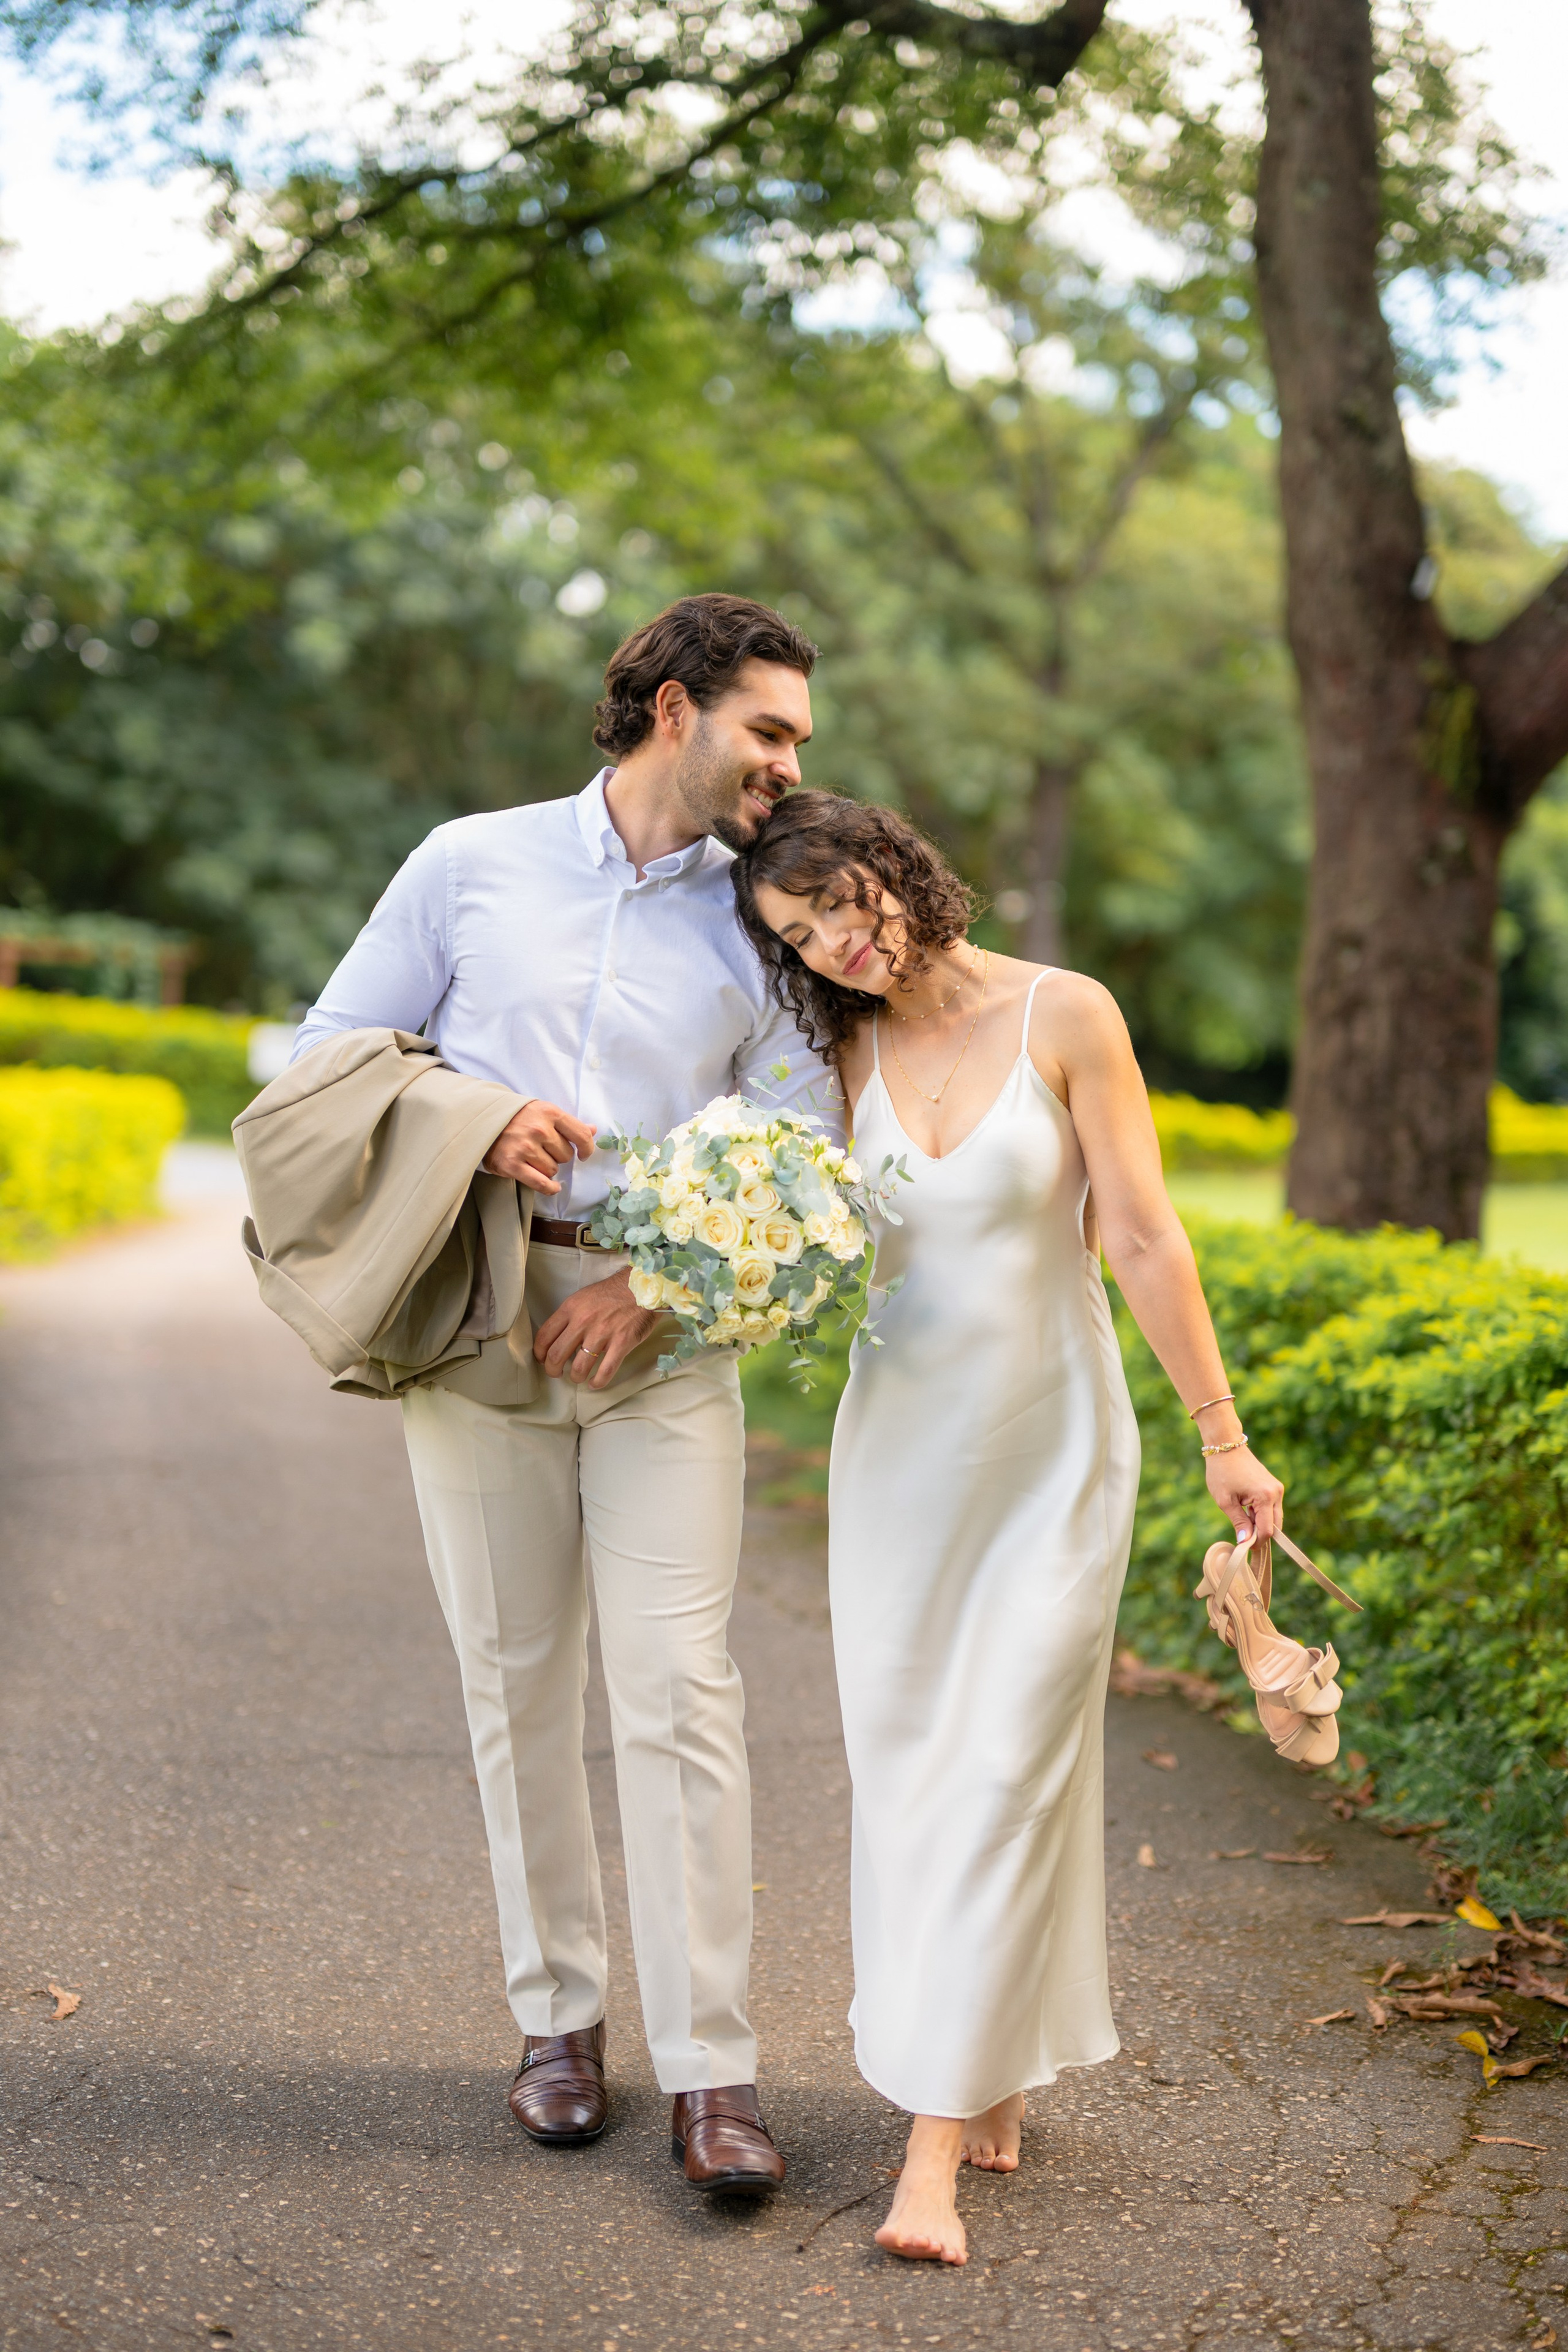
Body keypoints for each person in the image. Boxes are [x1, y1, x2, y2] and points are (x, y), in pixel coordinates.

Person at [291, 595, 839, 2195]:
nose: (792, 760)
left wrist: (664, 1288)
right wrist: (474, 1111)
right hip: (477, 1311)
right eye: (773, 728)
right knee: (515, 1679)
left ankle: (715, 2071)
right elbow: (328, 1052)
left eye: (798, 736)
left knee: (683, 1693)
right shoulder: (470, 863)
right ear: (673, 709)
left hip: (670, 1333)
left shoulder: (772, 906)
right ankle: (558, 2024)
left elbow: (808, 1143)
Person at [731, 790, 1286, 2263]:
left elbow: (1144, 1235)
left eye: (845, 905)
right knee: (913, 1770)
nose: (842, 949)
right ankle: (992, 2058)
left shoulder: (1066, 1012)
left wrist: (1219, 1436)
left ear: (893, 864)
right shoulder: (831, 1047)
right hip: (897, 1460)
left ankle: (928, 2159)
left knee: (1004, 1760)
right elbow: (781, 1227)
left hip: (1052, 1448)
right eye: (803, 939)